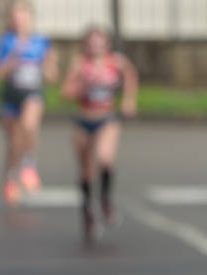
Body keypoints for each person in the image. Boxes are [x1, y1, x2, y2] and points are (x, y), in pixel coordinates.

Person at [59, 25, 138, 241]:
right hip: (84, 119)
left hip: (106, 119)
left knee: (105, 159)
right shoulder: (79, 64)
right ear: (85, 44)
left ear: (106, 43)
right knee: (85, 173)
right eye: (91, 42)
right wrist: (82, 86)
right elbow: (64, 93)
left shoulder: (116, 62)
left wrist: (129, 100)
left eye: (99, 41)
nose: (95, 46)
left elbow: (130, 75)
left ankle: (105, 202)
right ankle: (87, 212)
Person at [0, 1, 57, 205]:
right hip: (11, 94)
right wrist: (14, 58)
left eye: (22, 15)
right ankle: (10, 178)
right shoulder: (6, 41)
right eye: (15, 16)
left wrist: (44, 67)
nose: (19, 20)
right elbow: (0, 73)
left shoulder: (41, 42)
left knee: (29, 126)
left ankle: (29, 165)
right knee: (13, 142)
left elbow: (51, 74)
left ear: (30, 17)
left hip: (32, 93)